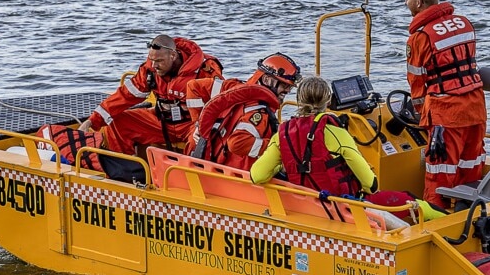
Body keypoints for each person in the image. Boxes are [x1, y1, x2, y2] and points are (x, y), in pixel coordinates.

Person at [404, 0, 488, 209]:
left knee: (439, 173)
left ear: (419, 3)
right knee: (471, 166)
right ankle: (468, 215)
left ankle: (434, 222)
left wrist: (422, 116)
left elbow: (417, 85)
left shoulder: (420, 37)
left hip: (446, 114)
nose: (405, 2)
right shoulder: (464, 23)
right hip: (476, 107)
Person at [79, 34, 223, 157]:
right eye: (152, 60)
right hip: (162, 121)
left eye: (159, 61)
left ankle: (188, 183)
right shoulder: (150, 71)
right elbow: (124, 96)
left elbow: (222, 103)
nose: (154, 65)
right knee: (118, 124)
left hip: (192, 124)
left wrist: (202, 126)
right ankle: (123, 173)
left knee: (200, 141)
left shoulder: (206, 70)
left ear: (173, 55)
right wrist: (92, 121)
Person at [251, 76, 376, 197]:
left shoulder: (283, 134)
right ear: (327, 101)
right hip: (338, 208)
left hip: (301, 206)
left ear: (299, 100)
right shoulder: (338, 134)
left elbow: (257, 176)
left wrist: (284, 166)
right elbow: (371, 185)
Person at [187, 53, 301, 171]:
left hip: (219, 163)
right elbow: (236, 143)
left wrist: (199, 125)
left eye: (290, 87)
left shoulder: (234, 88)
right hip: (240, 176)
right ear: (267, 79)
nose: (287, 91)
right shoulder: (259, 114)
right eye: (284, 85)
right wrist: (275, 146)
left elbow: (194, 87)